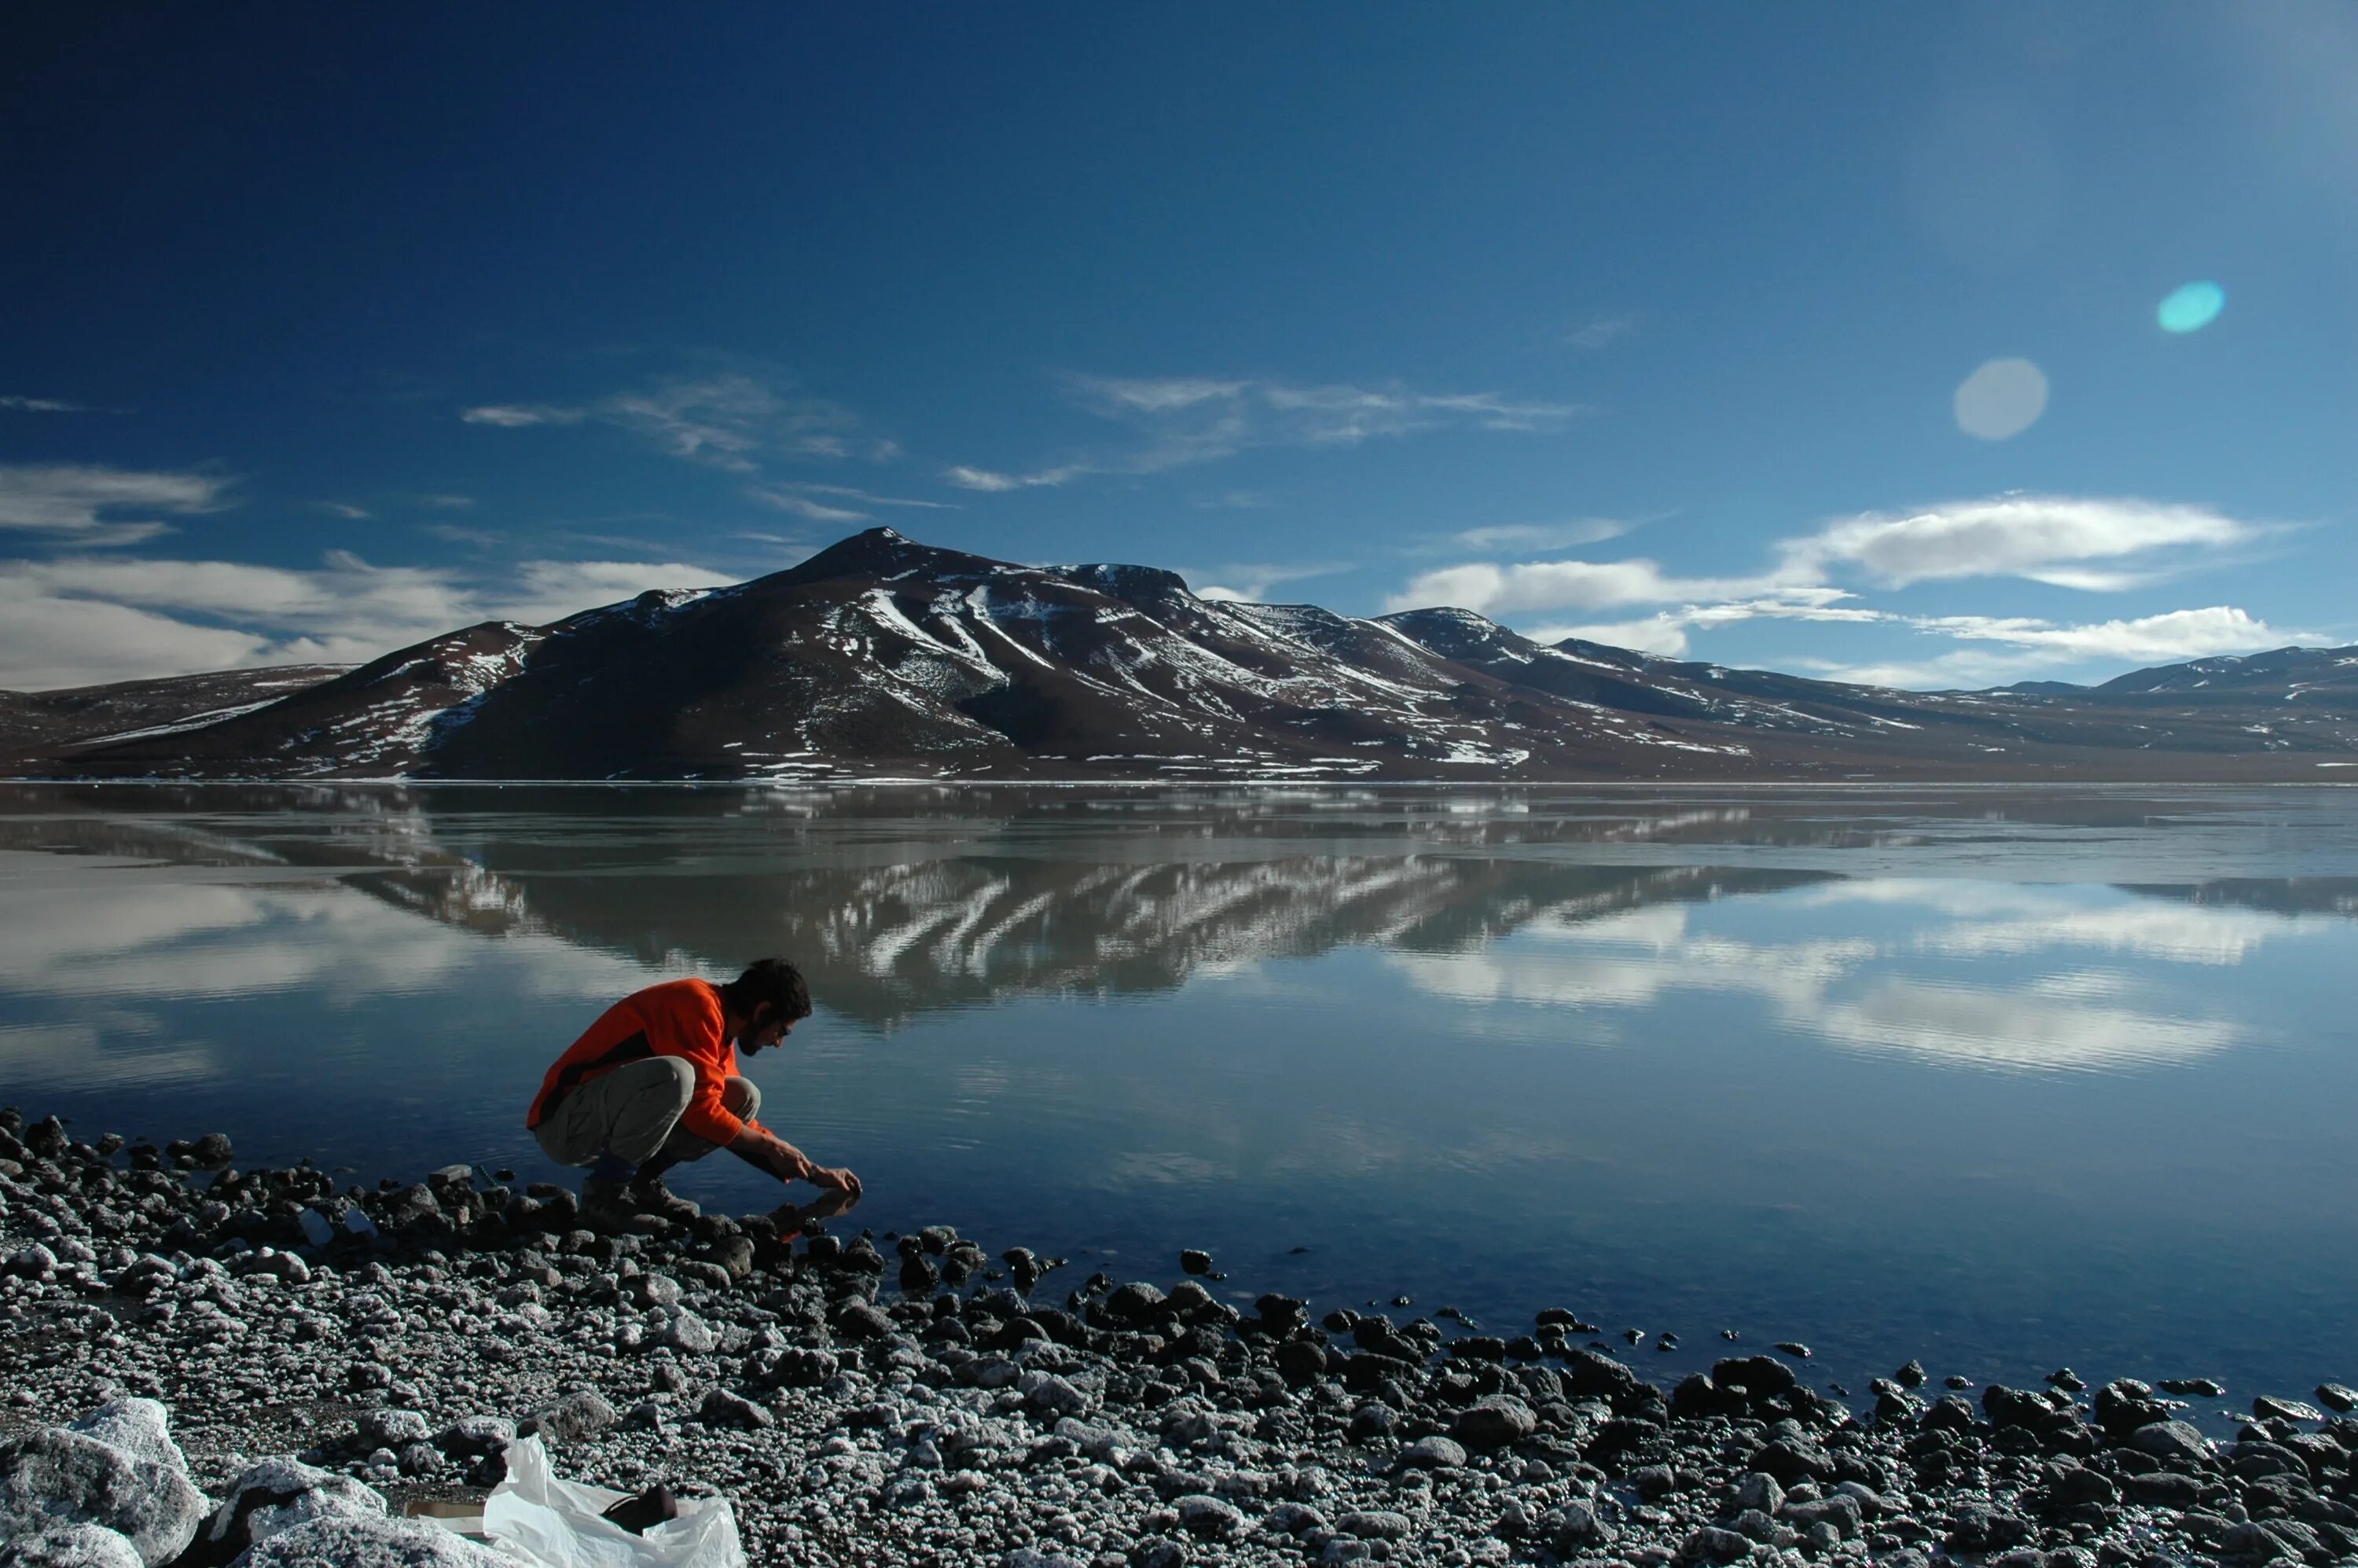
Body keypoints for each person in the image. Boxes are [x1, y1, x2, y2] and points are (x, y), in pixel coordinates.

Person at [527, 957, 861, 1223]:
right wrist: (771, 1145)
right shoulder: (695, 1004)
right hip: (565, 1125)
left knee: (743, 1097)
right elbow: (701, 1110)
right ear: (762, 1012)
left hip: (600, 1126)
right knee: (677, 1076)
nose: (777, 1044)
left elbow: (725, 1118)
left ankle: (642, 1183)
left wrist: (813, 1172)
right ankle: (604, 1198)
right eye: (781, 1032)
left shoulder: (720, 1036)